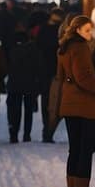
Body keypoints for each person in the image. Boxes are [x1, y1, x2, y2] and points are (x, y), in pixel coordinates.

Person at [57, 15, 95, 187]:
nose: (90, 33)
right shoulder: (80, 48)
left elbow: (62, 76)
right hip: (84, 104)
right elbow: (84, 78)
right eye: (87, 30)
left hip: (69, 103)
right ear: (77, 30)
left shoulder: (64, 48)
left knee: (75, 149)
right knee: (85, 149)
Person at [6, 22, 43, 143]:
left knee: (14, 109)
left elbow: (6, 63)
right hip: (29, 81)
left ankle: (13, 133)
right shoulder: (32, 47)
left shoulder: (10, 45)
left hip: (14, 81)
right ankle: (27, 134)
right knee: (28, 110)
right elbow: (38, 65)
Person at [37, 8, 63, 142]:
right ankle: (48, 130)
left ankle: (47, 129)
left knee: (47, 101)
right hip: (53, 70)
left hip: (46, 70)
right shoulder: (60, 31)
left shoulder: (43, 30)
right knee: (53, 101)